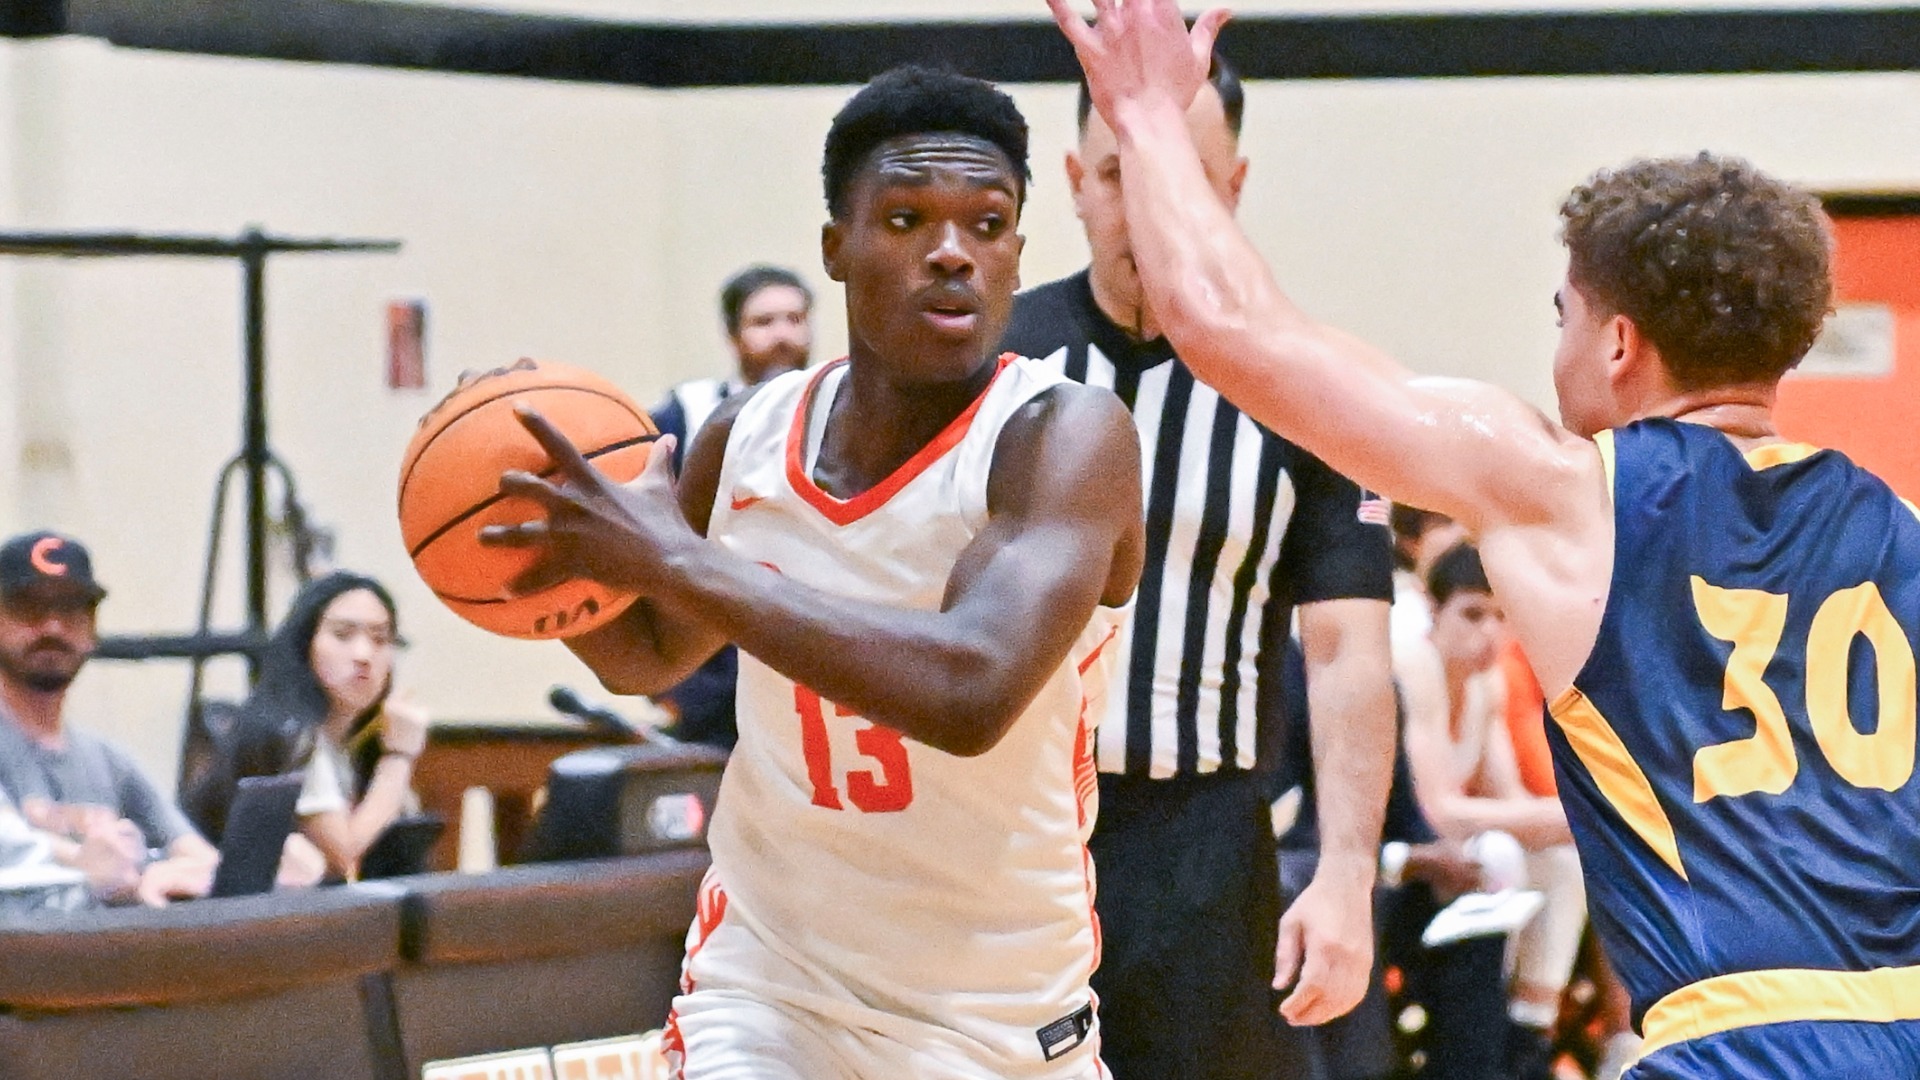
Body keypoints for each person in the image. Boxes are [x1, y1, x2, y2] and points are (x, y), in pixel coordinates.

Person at [1056, 2, 1920, 1074]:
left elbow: (1230, 330)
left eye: (1559, 312)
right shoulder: (1901, 525)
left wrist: (1143, 117)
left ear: (1616, 341)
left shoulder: (1571, 493)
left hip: (1734, 1042)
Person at [480, 65, 1144, 1080]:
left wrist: (675, 557)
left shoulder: (1063, 438)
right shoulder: (743, 438)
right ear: (836, 247)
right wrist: (536, 535)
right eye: (909, 218)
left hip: (991, 1008)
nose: (953, 254)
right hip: (769, 988)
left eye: (989, 222)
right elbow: (649, 656)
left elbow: (973, 687)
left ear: (1017, 251)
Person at [998, 52, 1396, 1077]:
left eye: (1179, 177)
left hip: (1207, 845)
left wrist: (1348, 872)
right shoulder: (989, 361)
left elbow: (1349, 644)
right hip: (1003, 833)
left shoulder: (1306, 382)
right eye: (1120, 174)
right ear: (1078, 185)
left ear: (1230, 189)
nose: (1146, 210)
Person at [1399, 543, 1581, 1077]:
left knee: (1565, 865)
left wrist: (1571, 825)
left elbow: (1510, 803)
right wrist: (1570, 818)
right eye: (1473, 614)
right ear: (1433, 611)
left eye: (1501, 616)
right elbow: (1440, 812)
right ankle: (1471, 1051)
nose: (1490, 632)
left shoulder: (1487, 682)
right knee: (1505, 853)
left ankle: (1529, 1034)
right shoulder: (1415, 664)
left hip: (1455, 856)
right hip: (1402, 851)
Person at [0, 530, 218, 905]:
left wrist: (164, 872)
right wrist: (86, 864)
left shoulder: (108, 759)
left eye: (70, 610)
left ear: (92, 629)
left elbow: (200, 855)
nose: (52, 627)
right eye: (29, 608)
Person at [649, 265, 815, 751]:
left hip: (808, 651)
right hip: (714, 664)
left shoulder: (845, 407)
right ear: (732, 335)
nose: (783, 334)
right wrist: (673, 687)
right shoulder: (686, 414)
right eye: (764, 322)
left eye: (795, 319)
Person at [218, 572, 428, 883]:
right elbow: (344, 854)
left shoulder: (356, 738)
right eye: (342, 635)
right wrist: (397, 757)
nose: (363, 656)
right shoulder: (288, 731)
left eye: (380, 639)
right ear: (305, 645)